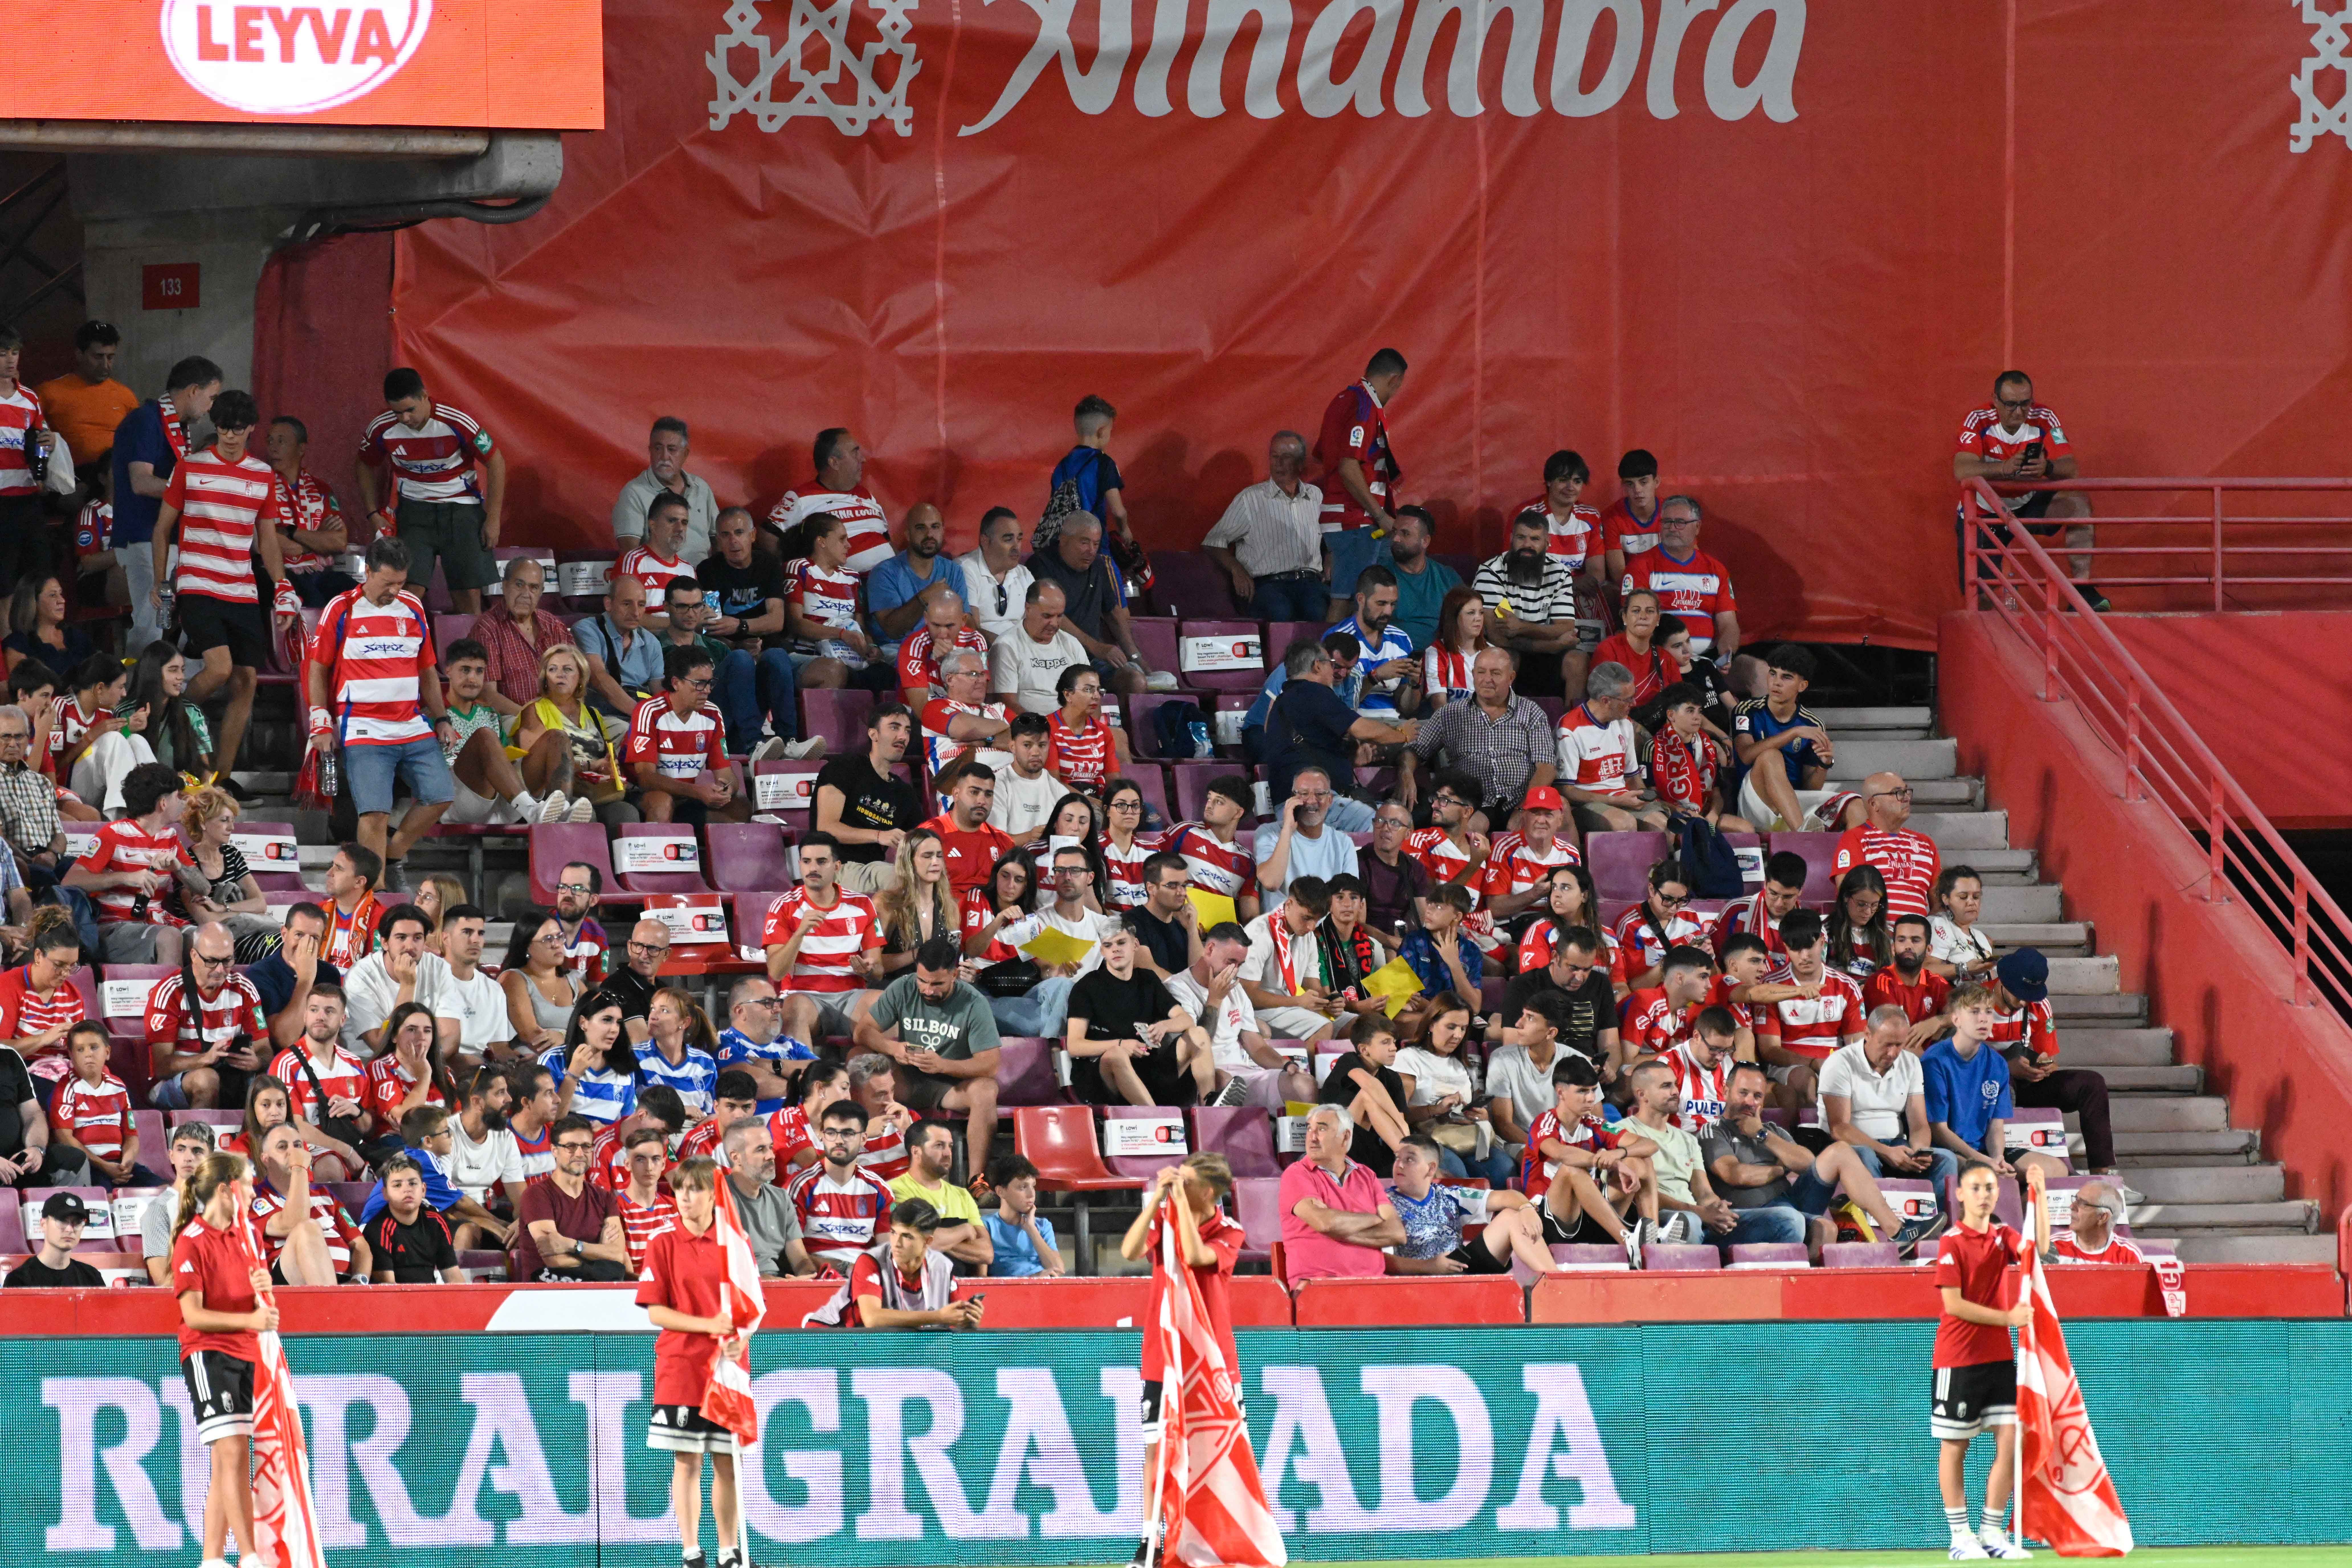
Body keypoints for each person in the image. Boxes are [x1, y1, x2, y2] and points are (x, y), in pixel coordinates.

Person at [148, 388, 288, 788]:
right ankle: (167, 718)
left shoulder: (262, 474)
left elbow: (268, 539)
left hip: (242, 588)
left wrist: (283, 587)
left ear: (251, 429)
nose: (229, 436)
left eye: (237, 429)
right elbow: (162, 529)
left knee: (246, 681)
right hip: (197, 583)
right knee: (221, 668)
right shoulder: (190, 467)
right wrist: (161, 581)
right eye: (223, 428)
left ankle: (219, 780)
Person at [1116, 1153, 1244, 1568]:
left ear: (1206, 1191)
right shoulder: (1164, 1218)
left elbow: (1194, 1254)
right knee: (1156, 1449)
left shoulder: (1230, 1229)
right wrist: (1157, 1200)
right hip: (1164, 1355)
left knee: (1220, 1454)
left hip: (1212, 1363)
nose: (1176, 1188)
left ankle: (1221, 1540)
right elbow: (1130, 1250)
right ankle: (1150, 1541)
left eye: (1185, 1182)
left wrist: (1180, 1208)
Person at [309, 536, 460, 878]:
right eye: (387, 582)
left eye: (401, 583)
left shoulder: (413, 607)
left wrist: (441, 717)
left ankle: (391, 854)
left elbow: (427, 670)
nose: (394, 590)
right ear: (368, 572)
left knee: (440, 795)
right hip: (363, 727)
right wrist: (320, 721)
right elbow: (318, 667)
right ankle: (373, 893)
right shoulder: (341, 609)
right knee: (375, 814)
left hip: (411, 723)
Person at [634, 1158, 758, 1568]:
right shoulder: (663, 1242)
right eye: (680, 1189)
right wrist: (708, 1325)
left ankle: (728, 1553)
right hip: (682, 1366)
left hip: (727, 1369)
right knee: (688, 1460)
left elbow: (749, 1306)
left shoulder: (735, 1243)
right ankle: (691, 1553)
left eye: (695, 1189)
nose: (685, 1197)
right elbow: (656, 1312)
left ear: (713, 1194)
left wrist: (741, 1339)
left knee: (728, 1462)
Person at [1933, 1162, 2050, 1560]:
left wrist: (2039, 1195)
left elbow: (2038, 1250)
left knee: (2012, 1439)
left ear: (1998, 1193)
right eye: (1975, 1188)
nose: (1984, 1195)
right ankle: (1960, 1536)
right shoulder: (1951, 1242)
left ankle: (1991, 1532)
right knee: (1956, 1444)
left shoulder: (2003, 1236)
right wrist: (2008, 1318)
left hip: (1998, 1358)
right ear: (1960, 1194)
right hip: (1958, 1357)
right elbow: (1953, 1305)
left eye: (1989, 1188)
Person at [1705, 1060, 1941, 1254]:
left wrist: (1762, 1135)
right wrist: (1780, 1169)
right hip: (1752, 1215)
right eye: (1743, 1093)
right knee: (1825, 1229)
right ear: (1726, 1091)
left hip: (1791, 1202)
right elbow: (1736, 1175)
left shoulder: (1771, 1131)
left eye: (1757, 1096)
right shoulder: (1714, 1131)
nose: (1750, 1102)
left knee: (1841, 1152)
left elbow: (1807, 1163)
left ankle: (1898, 1232)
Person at [169, 1149, 277, 1568]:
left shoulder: (250, 1237)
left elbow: (261, 1306)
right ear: (226, 1189)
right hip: (209, 1353)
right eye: (248, 1184)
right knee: (231, 1452)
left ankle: (212, 1559)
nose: (253, 1193)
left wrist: (265, 1288)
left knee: (230, 1460)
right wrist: (251, 1318)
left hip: (248, 1352)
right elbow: (194, 1315)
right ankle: (249, 1556)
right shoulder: (191, 1240)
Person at [853, 934, 1006, 1177]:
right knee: (858, 1057)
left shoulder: (974, 1003)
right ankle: (865, 1155)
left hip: (950, 1087)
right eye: (922, 981)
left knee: (987, 1090)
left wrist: (942, 1065)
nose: (928, 990)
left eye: (937, 984)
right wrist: (894, 1049)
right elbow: (862, 1032)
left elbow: (990, 1065)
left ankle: (977, 1181)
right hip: (904, 1079)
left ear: (954, 975)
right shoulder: (903, 987)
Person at [358, 366, 505, 614]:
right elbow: (363, 464)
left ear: (425, 396)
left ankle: (472, 641)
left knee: (467, 594)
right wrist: (373, 513)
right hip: (414, 513)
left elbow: (496, 461)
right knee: (406, 589)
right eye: (397, 412)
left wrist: (493, 518)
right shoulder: (382, 427)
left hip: (462, 510)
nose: (405, 419)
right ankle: (405, 640)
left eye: (410, 410)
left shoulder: (457, 420)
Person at [1984, 947, 2131, 1193]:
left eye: (2030, 996)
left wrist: (2043, 1068)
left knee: (2091, 1084)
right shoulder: (1978, 1001)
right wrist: (2005, 1067)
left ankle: (2102, 1176)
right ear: (2003, 982)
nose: (2024, 1002)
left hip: (2024, 1084)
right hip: (1985, 1088)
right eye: (2019, 995)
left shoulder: (2039, 1006)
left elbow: (2050, 1058)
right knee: (2005, 1076)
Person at [1956, 369, 2101, 608]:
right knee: (1981, 596)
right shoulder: (1977, 420)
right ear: (1995, 401)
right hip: (1984, 513)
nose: (2019, 412)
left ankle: (2082, 589)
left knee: (2078, 503)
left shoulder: (2044, 417)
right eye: (2011, 405)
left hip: (2027, 504)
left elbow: (2071, 468)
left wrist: (2048, 467)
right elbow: (1962, 470)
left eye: (2025, 404)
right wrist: (2004, 469)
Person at [112, 356, 222, 650]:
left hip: (169, 537)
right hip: (142, 536)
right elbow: (141, 482)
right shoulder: (146, 420)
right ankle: (132, 677)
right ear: (194, 390)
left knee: (170, 621)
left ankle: (163, 677)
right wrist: (198, 491)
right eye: (212, 397)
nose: (211, 407)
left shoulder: (178, 426)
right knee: (149, 623)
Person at [1924, 984, 2068, 1186]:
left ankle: (2019, 1203)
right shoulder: (1934, 1060)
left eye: (1989, 1012)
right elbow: (1939, 1130)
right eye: (1975, 1012)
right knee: (1981, 1173)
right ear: (1956, 1020)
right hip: (1948, 1151)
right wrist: (1982, 1161)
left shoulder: (1998, 1063)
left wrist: (1998, 1158)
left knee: (2056, 1170)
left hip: (1984, 1151)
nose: (1984, 1019)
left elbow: (1996, 1125)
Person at [1261, 641, 1415, 829]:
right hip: (1317, 802)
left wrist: (1349, 760)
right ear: (1318, 666)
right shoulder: (1314, 691)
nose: (1333, 671)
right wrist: (1402, 734)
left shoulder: (1282, 702)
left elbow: (1305, 750)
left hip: (1290, 807)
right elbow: (1362, 729)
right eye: (1331, 664)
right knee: (1387, 827)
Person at [1520, 1053, 1659, 1259]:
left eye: (1594, 1090)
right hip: (1547, 1219)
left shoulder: (1594, 1124)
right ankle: (1628, 1242)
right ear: (1561, 1093)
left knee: (1641, 1162)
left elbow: (1650, 1145)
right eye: (1582, 1091)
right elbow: (1561, 1153)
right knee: (1572, 1170)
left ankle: (1653, 1240)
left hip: (1587, 1214)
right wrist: (1611, 1163)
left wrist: (1619, 1154)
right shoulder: (1545, 1122)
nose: (1591, 1099)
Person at [1398, 645, 1557, 823]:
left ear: (1511, 678)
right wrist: (1406, 773)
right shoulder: (1450, 714)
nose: (1487, 679)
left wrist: (1524, 808)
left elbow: (1546, 767)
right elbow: (1414, 749)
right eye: (1481, 672)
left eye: (1496, 673)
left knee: (1562, 810)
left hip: (1521, 800)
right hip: (1473, 804)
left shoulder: (1532, 712)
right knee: (1473, 826)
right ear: (1473, 675)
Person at [1163, 922, 1313, 1109]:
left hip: (1241, 1074)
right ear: (1210, 950)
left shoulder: (1236, 988)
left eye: (1240, 965)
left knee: (1304, 1086)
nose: (1235, 970)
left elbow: (1256, 1047)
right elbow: (1197, 1045)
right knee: (1224, 1081)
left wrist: (1286, 1065)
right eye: (1231, 962)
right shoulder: (1177, 989)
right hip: (1201, 1079)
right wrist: (1215, 1001)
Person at [1066, 918, 1212, 1106]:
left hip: (1149, 1069)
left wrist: (1164, 1026)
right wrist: (1121, 1044)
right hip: (1104, 1077)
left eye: (1121, 943)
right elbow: (1075, 1046)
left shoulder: (1148, 979)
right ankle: (1156, 1118)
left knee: (1199, 1034)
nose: (1115, 950)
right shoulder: (1087, 986)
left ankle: (1210, 1108)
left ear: (1136, 945)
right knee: (1117, 1054)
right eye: (1108, 945)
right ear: (1102, 951)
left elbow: (1187, 1021)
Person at [1384, 1132, 1568, 1277]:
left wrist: (1527, 1208)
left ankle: (1557, 1284)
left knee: (1512, 1217)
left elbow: (1507, 1197)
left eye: (1409, 1159)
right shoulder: (1384, 1203)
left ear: (1431, 1168)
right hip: (1417, 1280)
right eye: (1397, 1158)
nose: (1399, 1165)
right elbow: (1379, 1260)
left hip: (1461, 1270)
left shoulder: (1450, 1196)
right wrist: (1428, 1266)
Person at [762, 830, 885, 1043]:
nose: (813, 868)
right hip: (804, 996)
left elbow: (879, 972)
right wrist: (799, 933)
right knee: (794, 1009)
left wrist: (868, 970)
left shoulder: (863, 905)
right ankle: (803, 1065)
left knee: (885, 1005)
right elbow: (776, 972)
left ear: (837, 867)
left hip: (853, 995)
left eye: (821, 862)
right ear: (799, 865)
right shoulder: (783, 907)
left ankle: (884, 1063)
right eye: (807, 862)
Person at [1824, 1005, 1963, 1192]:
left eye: (1899, 1045)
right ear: (1868, 1034)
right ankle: (1877, 1210)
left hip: (1897, 1146)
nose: (1892, 1053)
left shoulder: (1911, 1063)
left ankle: (1936, 1212)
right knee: (1865, 1156)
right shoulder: (1840, 1063)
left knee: (1946, 1160)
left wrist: (1919, 1152)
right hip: (1856, 1147)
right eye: (1886, 1045)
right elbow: (1839, 1129)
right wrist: (1886, 1152)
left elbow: (1919, 1124)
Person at [1024, 512, 1163, 695]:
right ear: (1063, 539)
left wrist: (1137, 659)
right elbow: (1053, 616)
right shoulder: (1040, 564)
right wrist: (1096, 647)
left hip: (1091, 660)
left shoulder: (1098, 565)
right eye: (1085, 543)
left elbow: (1113, 614)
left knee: (1136, 681)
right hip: (1053, 657)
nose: (1091, 551)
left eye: (1096, 544)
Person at [1724, 645, 1858, 834]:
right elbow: (1746, 755)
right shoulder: (1747, 710)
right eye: (1773, 674)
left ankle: (1853, 852)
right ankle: (1803, 834)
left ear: (1802, 686)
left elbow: (1811, 789)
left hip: (1792, 803)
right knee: (1770, 756)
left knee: (1855, 804)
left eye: (1786, 677)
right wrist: (1793, 733)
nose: (1776, 683)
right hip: (1755, 804)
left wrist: (1824, 765)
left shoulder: (1813, 724)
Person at [1312, 349, 1408, 612]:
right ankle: (1334, 642)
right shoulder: (1364, 406)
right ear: (1395, 380)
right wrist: (1380, 515)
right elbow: (1348, 466)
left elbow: (1324, 454)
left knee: (1370, 602)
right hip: (1356, 521)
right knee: (1348, 602)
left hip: (1350, 520)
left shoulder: (1343, 399)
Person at [1621, 1058, 1749, 1248]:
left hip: (1697, 1216)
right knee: (1689, 1221)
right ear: (1642, 1095)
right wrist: (1698, 1212)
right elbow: (1633, 1194)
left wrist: (1718, 1208)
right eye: (1666, 1086)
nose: (1675, 1092)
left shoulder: (1688, 1139)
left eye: (1675, 1085)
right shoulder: (1622, 1132)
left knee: (1784, 1219)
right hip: (1657, 1217)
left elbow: (1704, 1192)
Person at [141, 919, 266, 1113]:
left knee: (273, 1083)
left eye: (227, 961)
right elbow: (162, 1067)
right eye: (212, 961)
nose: (220, 970)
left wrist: (256, 1062)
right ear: (194, 955)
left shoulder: (244, 989)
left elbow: (266, 1050)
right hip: (175, 1082)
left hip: (232, 1077)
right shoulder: (170, 993)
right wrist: (205, 1059)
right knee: (207, 1079)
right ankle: (198, 1133)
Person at [1202, 429, 1326, 619]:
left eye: (1286, 457)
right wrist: (1237, 570)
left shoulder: (1316, 496)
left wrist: (1331, 555)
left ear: (1301, 463)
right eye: (1275, 456)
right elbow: (1213, 542)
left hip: (1311, 583)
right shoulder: (1250, 499)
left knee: (1323, 615)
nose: (1279, 463)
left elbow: (1332, 533)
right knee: (1280, 615)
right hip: (1270, 585)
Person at [1488, 950, 1619, 1126]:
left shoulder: (1580, 1063)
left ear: (1551, 1033)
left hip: (1567, 1140)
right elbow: (1504, 1125)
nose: (1518, 1024)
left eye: (1530, 1018)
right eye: (1523, 1015)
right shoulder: (1502, 1059)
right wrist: (1545, 1144)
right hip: (1523, 1141)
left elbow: (1597, 1123)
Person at [1394, 991, 1514, 1183]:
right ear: (1432, 1025)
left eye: (1463, 1029)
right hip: (1425, 1137)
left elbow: (1473, 1109)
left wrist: (1481, 1116)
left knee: (1504, 1167)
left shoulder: (1461, 1064)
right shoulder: (1409, 1059)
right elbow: (1398, 1114)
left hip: (1462, 1135)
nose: (1458, 1035)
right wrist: (1435, 1110)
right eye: (1451, 1027)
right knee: (1455, 1170)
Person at [510, 644, 636, 826]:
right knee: (586, 816)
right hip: (552, 792)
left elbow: (609, 758)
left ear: (581, 678)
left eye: (568, 669)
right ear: (545, 678)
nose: (560, 675)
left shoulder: (594, 714)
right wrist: (590, 765)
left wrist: (608, 767)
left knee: (626, 813)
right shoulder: (534, 711)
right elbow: (535, 768)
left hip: (593, 789)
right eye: (553, 670)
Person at [1752, 910, 1865, 1110]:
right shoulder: (1771, 988)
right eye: (1796, 949)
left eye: (1809, 947)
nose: (1804, 957)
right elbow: (1770, 1050)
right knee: (1806, 1081)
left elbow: (1856, 1046)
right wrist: (1814, 1063)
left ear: (1822, 942)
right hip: (1788, 1067)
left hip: (1837, 1064)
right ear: (1786, 948)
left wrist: (1835, 1066)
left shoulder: (1847, 986)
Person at [627, 644, 751, 826]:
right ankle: (658, 845)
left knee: (740, 806)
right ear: (676, 683)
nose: (707, 690)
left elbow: (726, 773)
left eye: (710, 683)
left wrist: (726, 789)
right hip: (642, 794)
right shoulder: (649, 711)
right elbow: (646, 779)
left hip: (687, 796)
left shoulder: (713, 714)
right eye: (699, 684)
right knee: (662, 803)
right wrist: (698, 792)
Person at [808, 703, 922, 895]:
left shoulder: (904, 793)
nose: (903, 737)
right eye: (895, 727)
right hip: (836, 867)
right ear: (873, 734)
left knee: (930, 876)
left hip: (874, 869)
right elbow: (826, 827)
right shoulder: (844, 767)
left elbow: (922, 837)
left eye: (907, 731)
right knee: (902, 880)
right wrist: (879, 836)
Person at [1279, 1103, 1405, 1279]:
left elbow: (1397, 1234)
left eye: (1321, 1129)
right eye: (1309, 1129)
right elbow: (1325, 1224)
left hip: (1374, 1282)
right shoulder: (1297, 1174)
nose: (1312, 1137)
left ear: (1345, 1137)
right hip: (1319, 1284)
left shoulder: (1367, 1175)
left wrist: (1337, 1231)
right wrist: (1375, 1219)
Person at [819, 1196, 979, 1330]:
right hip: (830, 1338)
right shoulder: (870, 1262)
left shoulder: (942, 1268)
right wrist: (938, 1317)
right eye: (894, 1233)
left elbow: (958, 1321)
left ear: (928, 1241)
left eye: (907, 1237)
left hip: (880, 1346)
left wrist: (969, 1319)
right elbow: (872, 1319)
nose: (896, 1243)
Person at [1473, 511, 1583, 696]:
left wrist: (1521, 627)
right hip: (1508, 651)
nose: (1527, 545)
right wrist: (1553, 645)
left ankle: (1573, 716)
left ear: (1547, 542)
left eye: (1535, 539)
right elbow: (1498, 637)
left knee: (1578, 661)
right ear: (1511, 539)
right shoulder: (1491, 572)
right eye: (1521, 538)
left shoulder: (1560, 573)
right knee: (1506, 658)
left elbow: (1566, 627)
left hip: (1543, 654)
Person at [784, 1097, 898, 1271]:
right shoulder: (800, 1186)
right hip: (817, 1277)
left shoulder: (880, 1190)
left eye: (848, 1134)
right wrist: (843, 1269)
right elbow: (795, 1256)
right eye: (831, 1133)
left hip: (864, 1276)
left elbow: (887, 1252)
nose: (839, 1140)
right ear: (822, 1136)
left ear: (864, 1139)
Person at [511, 1114, 629, 1281]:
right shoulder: (536, 1195)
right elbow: (555, 1259)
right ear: (554, 1150)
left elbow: (617, 1255)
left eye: (586, 1146)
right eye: (571, 1147)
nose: (580, 1154)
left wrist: (572, 1246)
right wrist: (602, 1257)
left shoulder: (604, 1198)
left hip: (596, 1289)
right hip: (547, 1288)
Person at [250, 1121, 371, 1284]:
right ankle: (332, 1299)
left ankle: (336, 1296)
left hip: (344, 1283)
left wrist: (359, 1280)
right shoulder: (256, 1198)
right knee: (307, 1229)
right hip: (292, 1283)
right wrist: (299, 1168)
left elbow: (359, 1245)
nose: (293, 1152)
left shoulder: (324, 1194)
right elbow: (296, 1223)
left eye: (298, 1145)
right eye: (283, 1147)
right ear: (266, 1160)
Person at [1557, 661, 1669, 833]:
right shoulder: (1570, 729)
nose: (1634, 703)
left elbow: (1633, 777)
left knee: (1662, 826)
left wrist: (1643, 797)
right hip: (1586, 804)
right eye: (1628, 699)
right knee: (1624, 824)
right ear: (1606, 701)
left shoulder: (1625, 724)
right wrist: (1616, 801)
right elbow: (1566, 790)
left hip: (1622, 798)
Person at [261, 414, 357, 608]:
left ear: (301, 449)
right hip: (280, 573)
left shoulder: (321, 489)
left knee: (358, 598)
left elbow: (339, 543)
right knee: (314, 602)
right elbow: (269, 541)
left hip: (321, 571)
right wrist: (317, 540)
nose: (273, 448)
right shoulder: (261, 487)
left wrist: (291, 532)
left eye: (281, 441)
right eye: (270, 441)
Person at [768, 426, 893, 574]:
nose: (863, 459)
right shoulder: (801, 497)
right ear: (834, 463)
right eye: (855, 453)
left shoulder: (866, 495)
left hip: (892, 578)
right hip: (852, 583)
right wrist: (800, 571)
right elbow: (767, 536)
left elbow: (885, 541)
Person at [1238, 877, 1343, 1043]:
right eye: (1307, 918)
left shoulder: (1308, 936)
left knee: (1355, 1025)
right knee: (1324, 1028)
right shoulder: (1260, 932)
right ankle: (1293, 1062)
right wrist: (1297, 1002)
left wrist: (1329, 1001)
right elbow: (1247, 994)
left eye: (1317, 921)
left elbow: (1313, 985)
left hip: (1290, 1006)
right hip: (1258, 1010)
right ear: (1289, 905)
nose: (1311, 927)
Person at [1834, 770, 1942, 920]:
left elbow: (1940, 903)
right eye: (1897, 793)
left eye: (1907, 792)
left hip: (1919, 932)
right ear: (1874, 804)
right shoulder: (1855, 839)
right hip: (1875, 930)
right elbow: (1849, 897)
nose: (1906, 798)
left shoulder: (1926, 844)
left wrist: (1925, 930)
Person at [613, 415, 719, 564]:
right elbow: (630, 556)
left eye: (672, 449)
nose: (664, 457)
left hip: (703, 575)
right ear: (650, 451)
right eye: (658, 448)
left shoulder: (701, 488)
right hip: (657, 577)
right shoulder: (634, 493)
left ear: (685, 454)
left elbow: (719, 539)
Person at [32, 320, 136, 472]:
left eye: (110, 358)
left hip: (117, 476)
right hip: (71, 477)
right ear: (79, 355)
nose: (105, 365)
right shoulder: (48, 393)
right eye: (98, 357)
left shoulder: (125, 395)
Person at [886, 1118, 993, 1265]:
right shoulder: (893, 1191)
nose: (948, 1153)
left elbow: (987, 1254)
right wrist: (964, 1230)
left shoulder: (962, 1195)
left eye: (950, 1146)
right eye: (939, 1146)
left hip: (960, 1279)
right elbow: (910, 1243)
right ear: (916, 1152)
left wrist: (931, 1239)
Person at [1650, 683, 1753, 831]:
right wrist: (1685, 813)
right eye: (1690, 711)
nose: (1698, 718)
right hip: (1672, 815)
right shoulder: (1655, 747)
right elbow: (1652, 797)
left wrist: (1713, 816)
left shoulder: (1709, 747)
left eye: (1700, 712)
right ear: (1671, 715)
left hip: (1705, 814)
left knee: (1746, 829)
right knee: (1677, 831)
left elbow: (1717, 795)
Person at [867, 502, 962, 659]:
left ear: (943, 531)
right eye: (920, 528)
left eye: (935, 527)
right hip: (897, 650)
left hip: (943, 648)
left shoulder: (954, 571)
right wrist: (925, 598)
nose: (929, 534)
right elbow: (892, 630)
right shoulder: (884, 573)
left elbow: (966, 623)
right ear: (908, 535)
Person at [1161, 775, 1261, 921]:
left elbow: (1251, 916)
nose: (1209, 805)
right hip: (1177, 923)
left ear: (1238, 813)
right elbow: (1151, 871)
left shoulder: (1246, 861)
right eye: (1209, 798)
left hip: (1220, 930)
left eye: (1219, 802)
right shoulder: (1185, 832)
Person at [1326, 565, 1420, 717]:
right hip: (1354, 721)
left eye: (1393, 604)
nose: (1388, 612)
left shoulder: (1402, 639)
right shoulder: (1337, 639)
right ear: (1361, 600)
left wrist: (1414, 684)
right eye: (1381, 604)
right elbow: (1336, 704)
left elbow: (1406, 709)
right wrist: (1376, 676)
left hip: (1394, 722)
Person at [575, 571, 668, 719]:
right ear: (608, 604)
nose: (636, 613)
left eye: (641, 605)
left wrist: (668, 717)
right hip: (602, 715)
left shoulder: (651, 642)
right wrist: (642, 717)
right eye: (627, 604)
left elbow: (658, 689)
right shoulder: (587, 630)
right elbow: (598, 677)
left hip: (640, 712)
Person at [366, 1153, 467, 1283]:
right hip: (396, 1295)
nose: (407, 1190)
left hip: (431, 1294)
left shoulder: (436, 1223)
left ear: (424, 1190)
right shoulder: (378, 1229)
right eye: (398, 1185)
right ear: (385, 1194)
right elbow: (388, 1287)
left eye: (413, 1183)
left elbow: (454, 1277)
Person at [1610, 861, 1708, 992]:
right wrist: (1669, 962)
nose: (1674, 908)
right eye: (1668, 899)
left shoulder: (1690, 918)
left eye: (1682, 901)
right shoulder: (1630, 926)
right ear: (1652, 890)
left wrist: (1708, 958)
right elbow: (1629, 989)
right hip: (1651, 1000)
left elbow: (1712, 978)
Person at [919, 654, 1015, 788]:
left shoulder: (1000, 709)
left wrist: (987, 741)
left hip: (1015, 786)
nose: (981, 680)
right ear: (950, 679)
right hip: (966, 793)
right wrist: (1003, 726)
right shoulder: (935, 708)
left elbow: (1028, 740)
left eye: (983, 674)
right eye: (973, 674)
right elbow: (966, 730)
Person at [502, 908, 584, 1058]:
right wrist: (574, 1040)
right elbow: (531, 1036)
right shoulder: (514, 979)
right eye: (547, 939)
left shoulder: (574, 982)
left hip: (575, 1055)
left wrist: (563, 1038)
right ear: (527, 947)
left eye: (560, 937)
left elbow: (598, 1026)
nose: (557, 945)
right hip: (535, 1058)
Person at [1045, 665, 1130, 798]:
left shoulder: (1103, 732)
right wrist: (1093, 804)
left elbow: (1113, 780)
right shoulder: (1047, 729)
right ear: (1068, 695)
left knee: (1145, 808)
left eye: (1099, 690)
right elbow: (1053, 784)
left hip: (1098, 798)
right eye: (1088, 690)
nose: (1096, 696)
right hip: (1064, 801)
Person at [897, 585, 989, 706]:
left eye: (950, 626)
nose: (943, 634)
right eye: (936, 625)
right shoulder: (913, 647)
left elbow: (979, 696)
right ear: (926, 618)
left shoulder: (976, 641)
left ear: (964, 620)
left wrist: (951, 659)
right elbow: (922, 709)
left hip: (967, 712)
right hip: (920, 715)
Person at [958, 506, 1034, 645]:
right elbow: (971, 629)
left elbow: (1039, 619)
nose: (1017, 547)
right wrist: (1010, 649)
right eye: (1008, 539)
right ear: (985, 541)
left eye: (1019, 539)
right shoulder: (966, 569)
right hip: (985, 651)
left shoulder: (1024, 574)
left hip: (1023, 649)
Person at [640, 987, 721, 1115]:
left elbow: (715, 1113)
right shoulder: (636, 1057)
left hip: (696, 1128)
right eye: (653, 1009)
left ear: (685, 1022)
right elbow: (631, 1111)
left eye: (664, 1011)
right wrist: (681, 1111)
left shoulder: (705, 1063)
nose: (653, 1016)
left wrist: (713, 1118)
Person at [3, 1187, 103, 1289]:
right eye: (62, 1221)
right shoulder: (19, 1281)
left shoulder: (92, 1278)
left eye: (77, 1223)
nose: (70, 1229)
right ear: (44, 1224)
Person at [983, 1153, 1064, 1276]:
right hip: (1011, 1288)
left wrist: (1031, 1229)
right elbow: (982, 1279)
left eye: (1033, 1187)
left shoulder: (1042, 1226)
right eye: (1023, 1187)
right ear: (1001, 1192)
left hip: (1044, 1285)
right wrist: (1032, 1278)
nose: (1032, 1195)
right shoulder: (986, 1226)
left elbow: (1059, 1270)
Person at [3, 575, 96, 679]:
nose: (62, 600)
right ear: (33, 602)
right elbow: (23, 686)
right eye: (53, 595)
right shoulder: (19, 644)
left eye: (61, 594)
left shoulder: (75, 636)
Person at [1420, 585, 1490, 707]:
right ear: (1453, 617)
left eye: (1481, 613)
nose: (1478, 618)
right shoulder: (1437, 652)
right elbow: (1440, 706)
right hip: (1451, 719)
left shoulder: (1493, 653)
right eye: (1471, 613)